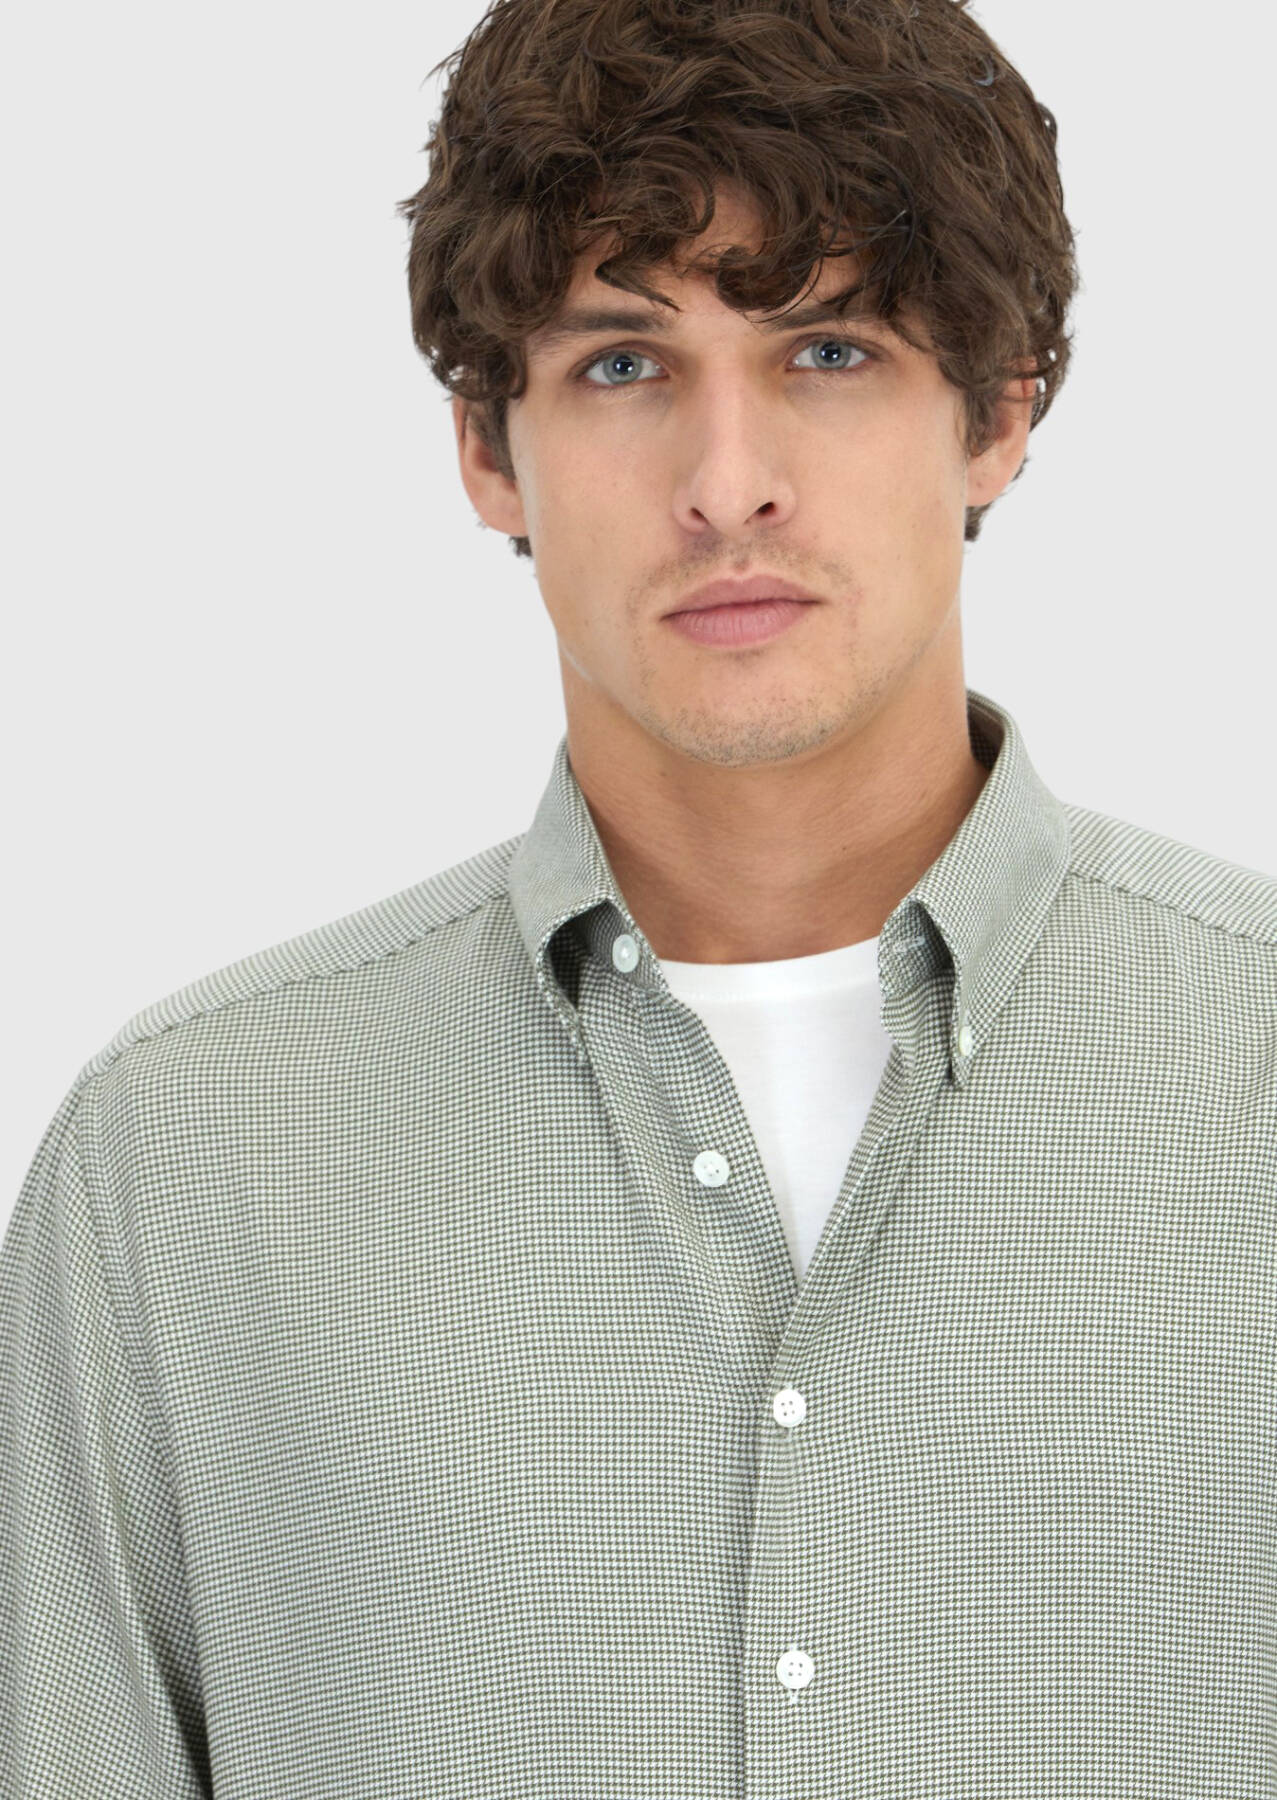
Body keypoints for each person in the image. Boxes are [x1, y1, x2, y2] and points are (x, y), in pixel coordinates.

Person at [3, 0, 1274, 1794]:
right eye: (620, 364)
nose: (725, 486)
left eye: (826, 349)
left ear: (996, 415)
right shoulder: (185, 1166)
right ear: (486, 448)